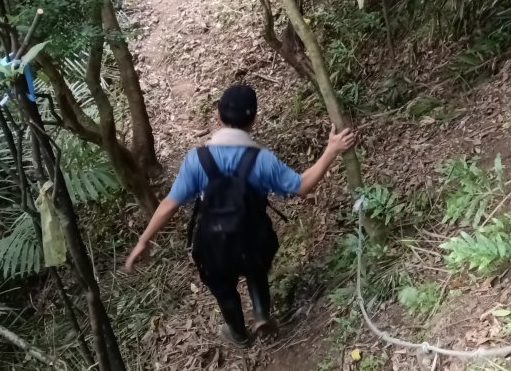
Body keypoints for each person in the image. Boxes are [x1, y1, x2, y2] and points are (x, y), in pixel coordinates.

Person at [124, 84, 356, 346]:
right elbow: (302, 186)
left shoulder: (196, 160)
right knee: (256, 268)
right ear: (254, 119)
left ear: (218, 116)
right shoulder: (261, 159)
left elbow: (169, 204)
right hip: (253, 238)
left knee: (223, 289)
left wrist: (144, 241)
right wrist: (331, 150)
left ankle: (239, 335)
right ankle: (260, 314)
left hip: (213, 247)